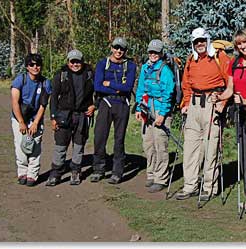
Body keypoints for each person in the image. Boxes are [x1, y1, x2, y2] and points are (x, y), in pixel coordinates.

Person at [211, 29, 246, 214]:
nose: (242, 46)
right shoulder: (235, 63)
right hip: (240, 114)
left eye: (245, 42)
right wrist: (218, 97)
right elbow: (230, 89)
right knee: (243, 155)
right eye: (239, 44)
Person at [175, 27, 230, 201]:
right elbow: (186, 84)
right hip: (194, 106)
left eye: (202, 41)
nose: (199, 44)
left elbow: (230, 82)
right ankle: (190, 185)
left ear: (207, 40)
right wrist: (185, 103)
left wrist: (223, 101)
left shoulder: (219, 57)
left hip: (211, 103)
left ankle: (209, 187)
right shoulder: (191, 59)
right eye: (196, 42)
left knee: (211, 147)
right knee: (190, 148)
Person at [46, 49, 95, 186]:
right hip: (63, 115)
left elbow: (99, 92)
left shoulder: (90, 74)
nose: (75, 64)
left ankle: (76, 171)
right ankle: (56, 173)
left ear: (82, 61)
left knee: (79, 145)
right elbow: (54, 98)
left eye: (77, 61)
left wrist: (94, 105)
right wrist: (53, 117)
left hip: (82, 116)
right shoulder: (60, 75)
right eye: (72, 61)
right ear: (68, 62)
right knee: (60, 146)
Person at [91, 37, 137, 184]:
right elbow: (98, 86)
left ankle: (117, 172)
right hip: (105, 102)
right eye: (116, 47)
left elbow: (128, 87)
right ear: (111, 48)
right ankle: (99, 169)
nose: (118, 51)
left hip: (122, 104)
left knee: (119, 139)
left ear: (125, 51)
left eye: (122, 49)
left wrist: (109, 83)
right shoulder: (102, 64)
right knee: (99, 137)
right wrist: (117, 88)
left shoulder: (130, 65)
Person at [135, 39, 175, 193]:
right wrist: (139, 108)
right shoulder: (145, 67)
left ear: (161, 53)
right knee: (148, 144)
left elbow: (168, 94)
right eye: (151, 51)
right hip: (146, 109)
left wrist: (163, 115)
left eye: (156, 52)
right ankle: (151, 173)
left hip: (159, 111)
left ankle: (161, 178)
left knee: (160, 145)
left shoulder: (165, 70)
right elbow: (140, 89)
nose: (153, 54)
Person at [10, 53, 51, 187]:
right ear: (27, 67)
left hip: (35, 118)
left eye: (37, 64)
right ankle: (22, 172)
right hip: (19, 117)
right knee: (21, 145)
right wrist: (21, 122)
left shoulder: (45, 83)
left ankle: (32, 174)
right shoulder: (20, 80)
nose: (35, 67)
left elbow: (43, 105)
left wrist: (35, 123)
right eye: (32, 64)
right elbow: (15, 102)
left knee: (35, 146)